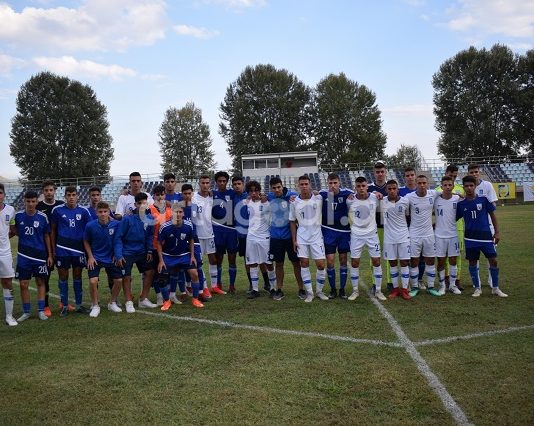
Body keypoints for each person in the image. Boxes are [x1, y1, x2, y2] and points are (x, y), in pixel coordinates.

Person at [456, 175, 507, 297]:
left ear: (475, 186)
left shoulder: (484, 200)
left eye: (471, 185)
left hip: (486, 237)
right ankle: (477, 288)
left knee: (493, 261)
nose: (469, 188)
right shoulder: (461, 204)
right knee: (473, 262)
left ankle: (495, 288)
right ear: (463, 187)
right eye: (466, 186)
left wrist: (497, 232)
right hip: (470, 238)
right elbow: (453, 219)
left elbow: (493, 216)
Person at [51, 186, 92, 316]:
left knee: (77, 276)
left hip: (78, 250)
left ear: (77, 196)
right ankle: (64, 305)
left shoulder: (84, 211)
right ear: (65, 197)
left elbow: (89, 230)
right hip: (62, 249)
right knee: (63, 277)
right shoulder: (57, 210)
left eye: (73, 195)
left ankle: (79, 305)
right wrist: (53, 250)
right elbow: (52, 231)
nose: (71, 197)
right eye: (68, 195)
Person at [14, 191, 53, 322]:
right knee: (23, 284)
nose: (30, 204)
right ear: (24, 201)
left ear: (37, 202)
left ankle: (41, 311)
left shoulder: (42, 217)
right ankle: (26, 312)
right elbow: (14, 230)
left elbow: (46, 236)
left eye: (33, 201)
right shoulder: (18, 216)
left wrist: (50, 255)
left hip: (39, 256)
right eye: (28, 201)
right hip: (23, 256)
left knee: (40, 282)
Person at [113, 193, 155, 313]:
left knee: (150, 272)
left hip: (142, 251)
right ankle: (128, 301)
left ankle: (143, 299)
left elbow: (150, 236)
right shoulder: (127, 219)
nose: (142, 205)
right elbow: (118, 237)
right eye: (139, 203)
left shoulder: (150, 218)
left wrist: (149, 250)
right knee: (127, 276)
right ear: (135, 204)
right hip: (127, 251)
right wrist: (119, 255)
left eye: (144, 203)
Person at [157, 202, 204, 309]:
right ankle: (166, 301)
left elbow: (191, 240)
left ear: (183, 213)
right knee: (162, 278)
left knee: (194, 273)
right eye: (175, 212)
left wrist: (192, 256)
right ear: (171, 213)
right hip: (168, 256)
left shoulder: (188, 225)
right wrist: (161, 260)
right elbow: (159, 243)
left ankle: (195, 299)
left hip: (184, 255)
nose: (178, 214)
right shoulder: (164, 227)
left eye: (180, 212)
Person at [346, 177, 386, 301]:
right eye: (358, 186)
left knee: (376, 261)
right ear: (355, 188)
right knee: (354, 262)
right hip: (356, 235)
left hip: (372, 234)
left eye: (363, 186)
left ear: (367, 186)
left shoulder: (375, 197)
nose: (361, 188)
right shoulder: (350, 200)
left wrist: (377, 193)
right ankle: (355, 291)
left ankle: (378, 290)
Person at [289, 175, 327, 303]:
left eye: (306, 184)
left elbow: (329, 192)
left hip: (317, 236)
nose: (304, 186)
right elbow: (292, 221)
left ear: (310, 185)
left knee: (321, 264)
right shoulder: (294, 202)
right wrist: (294, 240)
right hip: (301, 237)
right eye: (302, 184)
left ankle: (319, 291)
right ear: (298, 186)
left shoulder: (318, 198)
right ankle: (310, 293)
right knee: (304, 263)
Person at [83, 201, 124, 317]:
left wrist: (117, 254)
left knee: (118, 280)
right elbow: (85, 241)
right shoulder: (90, 225)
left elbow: (119, 240)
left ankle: (112, 302)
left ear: (109, 212)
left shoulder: (116, 224)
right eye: (100, 212)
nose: (103, 214)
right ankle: (95, 305)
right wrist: (90, 257)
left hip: (111, 257)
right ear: (96, 212)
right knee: (93, 281)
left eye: (105, 211)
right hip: (96, 257)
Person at [268, 177, 304, 301]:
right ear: (271, 189)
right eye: (274, 188)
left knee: (296, 263)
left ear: (282, 186)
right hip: (275, 236)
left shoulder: (292, 195)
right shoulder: (269, 197)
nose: (277, 190)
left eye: (278, 187)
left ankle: (301, 289)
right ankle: (279, 289)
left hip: (290, 236)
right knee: (278, 263)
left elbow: (305, 197)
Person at [319, 173, 352, 299]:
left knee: (343, 259)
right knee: (330, 260)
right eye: (330, 183)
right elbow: (311, 194)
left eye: (335, 183)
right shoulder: (322, 194)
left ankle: (342, 289)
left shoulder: (347, 193)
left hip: (344, 232)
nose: (333, 186)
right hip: (328, 231)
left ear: (339, 183)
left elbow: (360, 195)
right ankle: (333, 289)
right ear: (327, 183)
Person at [405, 175, 439, 297]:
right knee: (414, 261)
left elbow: (447, 193)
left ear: (428, 183)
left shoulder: (433, 194)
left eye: (424, 183)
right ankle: (414, 287)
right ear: (416, 184)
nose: (422, 185)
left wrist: (459, 195)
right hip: (414, 234)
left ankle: (430, 286)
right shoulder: (409, 197)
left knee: (430, 260)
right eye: (419, 183)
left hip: (429, 234)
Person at [244, 180, 277, 299]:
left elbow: (277, 195)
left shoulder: (267, 202)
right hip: (251, 237)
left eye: (256, 190)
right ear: (248, 192)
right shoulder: (247, 202)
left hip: (264, 237)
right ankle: (255, 289)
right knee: (252, 263)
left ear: (259, 191)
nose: (254, 193)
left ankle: (273, 288)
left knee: (269, 263)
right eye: (251, 191)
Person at [36, 180, 64, 317]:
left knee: (62, 275)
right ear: (43, 192)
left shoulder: (61, 205)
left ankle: (63, 302)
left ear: (55, 191)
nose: (49, 192)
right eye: (46, 190)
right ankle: (46, 305)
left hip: (61, 246)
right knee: (45, 277)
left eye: (51, 190)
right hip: (44, 247)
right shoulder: (38, 206)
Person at [468, 164, 498, 288]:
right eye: (471, 172)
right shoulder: (468, 187)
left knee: (491, 256)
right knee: (474, 257)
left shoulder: (487, 185)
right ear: (468, 173)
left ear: (479, 172)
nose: (474, 174)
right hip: (473, 229)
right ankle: (477, 283)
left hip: (488, 227)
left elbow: (493, 204)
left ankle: (492, 281)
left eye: (476, 171)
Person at [435, 165, 465, 290]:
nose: (447, 187)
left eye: (450, 185)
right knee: (441, 261)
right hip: (439, 235)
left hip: (454, 234)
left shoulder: (458, 198)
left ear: (453, 186)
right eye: (445, 185)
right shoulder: (435, 197)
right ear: (441, 186)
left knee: (454, 259)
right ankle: (442, 285)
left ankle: (453, 285)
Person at [381, 180, 411, 300]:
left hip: (403, 236)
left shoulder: (405, 201)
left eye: (394, 188)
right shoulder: (382, 201)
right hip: (389, 238)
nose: (392, 191)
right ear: (386, 190)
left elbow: (408, 217)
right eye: (389, 189)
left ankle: (404, 289)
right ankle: (395, 289)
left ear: (398, 189)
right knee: (392, 263)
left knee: (404, 263)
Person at [192, 175, 218, 300]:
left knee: (213, 259)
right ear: (199, 184)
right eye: (203, 183)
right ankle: (205, 287)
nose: (205, 185)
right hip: (198, 235)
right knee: (200, 262)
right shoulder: (194, 198)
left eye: (207, 183)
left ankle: (214, 286)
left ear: (210, 184)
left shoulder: (212, 197)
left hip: (209, 233)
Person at [211, 171, 236, 294]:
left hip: (231, 230)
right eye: (219, 181)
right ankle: (218, 284)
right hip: (217, 230)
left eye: (224, 181)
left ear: (227, 182)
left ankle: (232, 285)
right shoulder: (212, 194)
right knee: (218, 258)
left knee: (232, 257)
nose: (222, 183)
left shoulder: (232, 193)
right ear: (216, 182)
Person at [149, 185, 174, 306]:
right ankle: (159, 296)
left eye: (162, 194)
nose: (160, 197)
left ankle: (168, 296)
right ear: (154, 196)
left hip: (167, 245)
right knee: (156, 271)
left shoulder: (169, 209)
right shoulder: (149, 209)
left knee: (168, 271)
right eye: (157, 195)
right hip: (154, 245)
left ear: (165, 195)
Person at [0, 184, 18, 326]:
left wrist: (4, 238)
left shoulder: (10, 210)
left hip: (5, 253)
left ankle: (9, 316)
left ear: (4, 195)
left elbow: (12, 230)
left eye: (0, 193)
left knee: (7, 283)